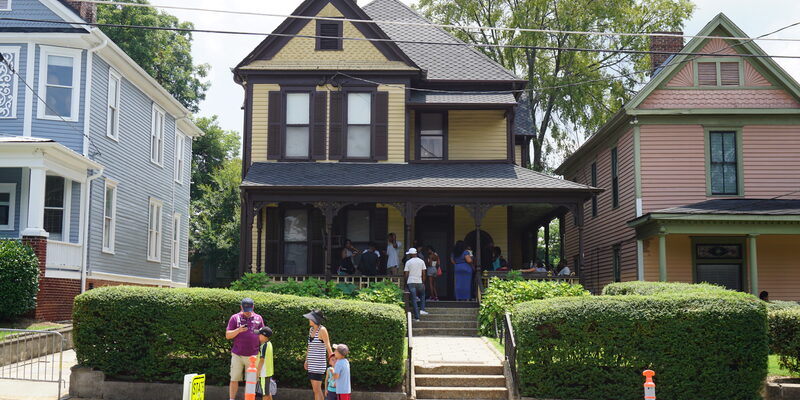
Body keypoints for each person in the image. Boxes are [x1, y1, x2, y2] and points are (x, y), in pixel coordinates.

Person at [225, 298, 265, 400]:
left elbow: (263, 336)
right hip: (237, 354)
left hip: (253, 355)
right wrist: (238, 330)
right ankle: (232, 399)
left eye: (249, 309)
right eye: (245, 309)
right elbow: (228, 335)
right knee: (234, 378)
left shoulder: (258, 318)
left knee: (251, 380)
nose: (247, 312)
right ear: (241, 307)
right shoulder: (235, 318)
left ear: (253, 307)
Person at [304, 310, 332, 400]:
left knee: (316, 390)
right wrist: (306, 360)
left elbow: (328, 346)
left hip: (318, 364)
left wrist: (333, 361)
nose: (309, 320)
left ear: (314, 320)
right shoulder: (311, 329)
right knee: (317, 390)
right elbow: (309, 346)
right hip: (311, 363)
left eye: (310, 318)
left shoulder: (322, 330)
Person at [404, 248, 429, 321]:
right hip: (419, 281)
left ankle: (417, 317)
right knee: (422, 295)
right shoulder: (421, 261)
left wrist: (406, 283)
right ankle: (422, 309)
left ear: (411, 254)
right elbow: (424, 273)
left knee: (413, 299)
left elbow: (406, 274)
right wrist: (423, 282)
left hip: (411, 281)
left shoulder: (408, 262)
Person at [256, 326, 274, 400]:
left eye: (259, 334)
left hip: (263, 373)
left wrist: (257, 372)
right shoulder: (269, 344)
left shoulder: (264, 346)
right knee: (267, 392)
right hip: (268, 372)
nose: (258, 336)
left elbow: (262, 360)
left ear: (264, 336)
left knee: (264, 394)